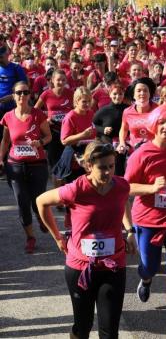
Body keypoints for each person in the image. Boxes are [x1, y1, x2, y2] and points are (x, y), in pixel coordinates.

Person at [36, 140, 136, 339]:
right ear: (89, 165)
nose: (108, 172)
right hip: (80, 266)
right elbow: (41, 201)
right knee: (83, 327)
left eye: (111, 166)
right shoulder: (76, 189)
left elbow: (122, 201)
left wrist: (130, 231)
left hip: (113, 264)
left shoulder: (121, 186)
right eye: (102, 168)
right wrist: (57, 237)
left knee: (109, 331)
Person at [125, 105, 166, 339]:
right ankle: (146, 279)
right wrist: (151, 188)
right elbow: (127, 187)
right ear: (154, 127)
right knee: (149, 267)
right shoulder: (141, 154)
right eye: (161, 123)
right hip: (148, 220)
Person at [0, 81, 52, 253]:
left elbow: (49, 136)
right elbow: (6, 141)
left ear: (30, 95)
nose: (22, 96)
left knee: (37, 200)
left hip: (37, 165)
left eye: (25, 92)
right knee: (22, 201)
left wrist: (40, 142)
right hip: (15, 165)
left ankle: (39, 216)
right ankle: (30, 237)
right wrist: (1, 159)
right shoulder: (8, 116)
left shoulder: (38, 115)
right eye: (19, 93)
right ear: (13, 95)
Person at [35, 69, 73, 170]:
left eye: (63, 80)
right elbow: (35, 111)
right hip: (53, 132)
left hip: (68, 132)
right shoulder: (46, 94)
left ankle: (66, 184)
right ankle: (57, 184)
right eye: (58, 80)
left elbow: (78, 110)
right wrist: (45, 120)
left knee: (68, 162)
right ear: (52, 80)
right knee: (54, 163)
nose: (61, 82)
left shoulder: (71, 93)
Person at [60, 87, 96, 184]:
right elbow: (64, 140)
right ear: (76, 101)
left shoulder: (91, 113)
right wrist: (82, 135)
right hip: (74, 160)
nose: (87, 104)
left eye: (89, 101)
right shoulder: (70, 117)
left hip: (89, 158)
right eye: (84, 101)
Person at [93, 83, 128, 176]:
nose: (118, 96)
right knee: (114, 171)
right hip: (109, 146)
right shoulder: (104, 110)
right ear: (110, 94)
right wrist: (102, 129)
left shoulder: (128, 109)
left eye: (120, 94)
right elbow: (92, 124)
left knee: (123, 171)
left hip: (125, 145)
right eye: (115, 94)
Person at [117, 77, 157, 153]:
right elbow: (124, 129)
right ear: (134, 94)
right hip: (134, 152)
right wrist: (122, 142)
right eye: (138, 91)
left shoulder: (158, 110)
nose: (142, 93)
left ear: (150, 93)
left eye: (145, 91)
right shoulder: (127, 112)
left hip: (153, 151)